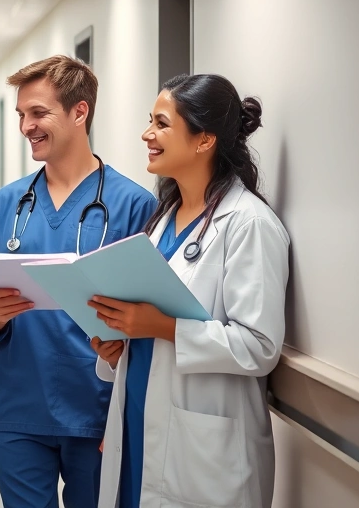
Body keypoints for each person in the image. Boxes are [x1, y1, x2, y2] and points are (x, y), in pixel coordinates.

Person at [89, 74, 289, 508]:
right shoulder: (163, 220)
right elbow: (150, 324)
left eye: (161, 124)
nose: (147, 134)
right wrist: (120, 346)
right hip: (140, 423)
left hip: (201, 447)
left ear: (204, 141)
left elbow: (259, 346)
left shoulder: (247, 224)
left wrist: (162, 327)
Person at [0, 55, 157, 508]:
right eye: (20, 115)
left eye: (38, 113)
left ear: (79, 112)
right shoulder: (9, 203)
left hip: (96, 408)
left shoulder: (133, 204)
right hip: (18, 407)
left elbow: (149, 313)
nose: (26, 126)